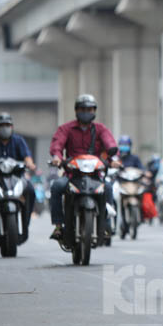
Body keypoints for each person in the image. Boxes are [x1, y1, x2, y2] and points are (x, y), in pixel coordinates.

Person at [49, 94, 119, 240]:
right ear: (76, 110)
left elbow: (110, 143)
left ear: (94, 111)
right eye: (83, 109)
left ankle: (106, 224)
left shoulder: (101, 129)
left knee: (108, 188)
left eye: (90, 109)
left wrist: (112, 158)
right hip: (71, 176)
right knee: (56, 186)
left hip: (95, 176)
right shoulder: (66, 128)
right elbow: (57, 144)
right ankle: (58, 226)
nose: (86, 112)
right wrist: (57, 157)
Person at [0, 113, 36, 243]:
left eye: (7, 125)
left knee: (31, 191)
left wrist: (30, 163)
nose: (5, 128)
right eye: (1, 125)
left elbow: (27, 156)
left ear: (12, 127)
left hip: (16, 177)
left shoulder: (19, 140)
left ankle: (26, 221)